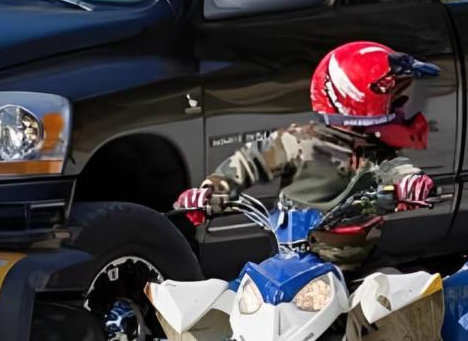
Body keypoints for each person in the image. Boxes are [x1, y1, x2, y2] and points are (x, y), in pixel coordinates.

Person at [174, 41, 439, 266]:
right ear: (356, 96)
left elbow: (396, 168)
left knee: (395, 297)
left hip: (360, 265)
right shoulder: (297, 141)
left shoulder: (377, 151)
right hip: (291, 258)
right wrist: (209, 192)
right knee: (244, 296)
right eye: (392, 97)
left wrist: (410, 184)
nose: (400, 105)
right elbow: (248, 161)